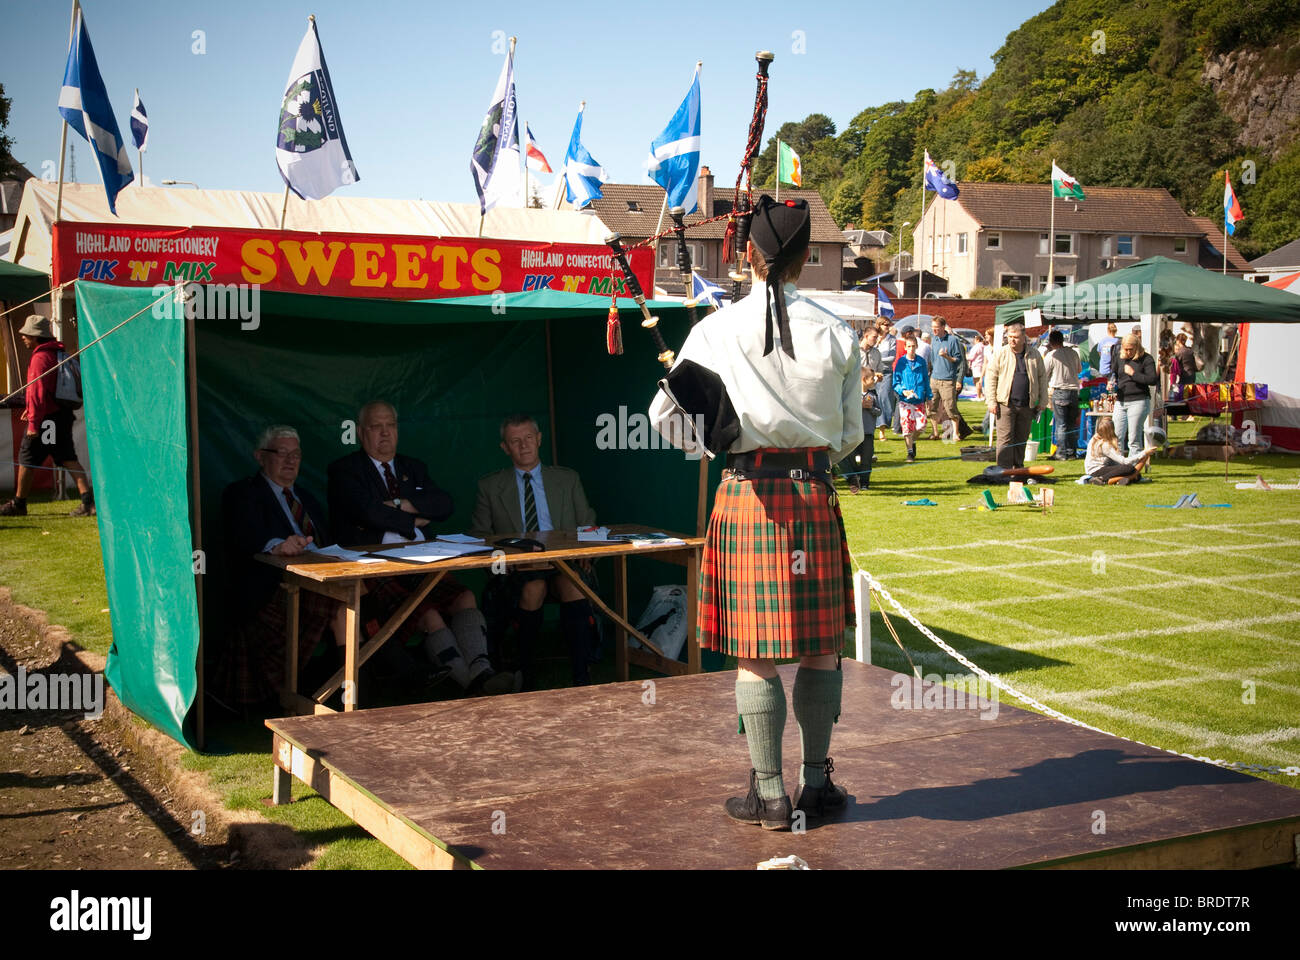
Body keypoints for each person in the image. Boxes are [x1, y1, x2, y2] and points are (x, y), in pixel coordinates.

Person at [648, 195, 861, 830]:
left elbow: (666, 420)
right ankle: (816, 786)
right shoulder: (838, 330)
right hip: (815, 494)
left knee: (756, 650)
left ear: (747, 254)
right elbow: (849, 433)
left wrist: (712, 441)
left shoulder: (713, 330)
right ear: (804, 259)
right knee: (821, 646)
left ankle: (769, 795)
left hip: (747, 496)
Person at [328, 400, 518, 695]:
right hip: (379, 566)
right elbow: (366, 512)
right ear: (361, 432)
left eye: (390, 425)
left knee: (465, 597)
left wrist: (397, 505)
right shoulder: (345, 471)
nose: (385, 433)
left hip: (424, 559)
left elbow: (443, 504)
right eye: (376, 426)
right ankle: (473, 685)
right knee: (428, 614)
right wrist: (414, 518)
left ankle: (482, 670)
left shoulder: (412, 467)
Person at [219, 425, 348, 705]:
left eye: (296, 454)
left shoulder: (308, 497)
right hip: (273, 591)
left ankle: (352, 689)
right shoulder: (242, 493)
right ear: (260, 456)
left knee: (357, 595)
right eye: (281, 453)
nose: (291, 460)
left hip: (323, 580)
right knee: (344, 605)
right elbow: (243, 536)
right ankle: (349, 695)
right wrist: (277, 546)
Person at [469, 414, 600, 687]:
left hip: (565, 563)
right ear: (505, 447)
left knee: (572, 585)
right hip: (519, 569)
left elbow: (588, 524)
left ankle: (581, 675)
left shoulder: (567, 479)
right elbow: (479, 537)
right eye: (515, 441)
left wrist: (589, 551)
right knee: (534, 588)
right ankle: (526, 675)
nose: (524, 446)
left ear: (539, 440)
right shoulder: (490, 486)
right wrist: (503, 563)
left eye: (529, 438)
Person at [1, 316, 95, 517]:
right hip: (61, 415)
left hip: (46, 420)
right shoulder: (58, 353)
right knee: (67, 457)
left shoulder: (40, 358)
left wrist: (34, 423)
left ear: (35, 336)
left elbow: (37, 392)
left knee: (27, 458)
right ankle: (88, 502)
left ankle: (19, 503)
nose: (24, 338)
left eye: (26, 335)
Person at [984, 319, 1048, 469]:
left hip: (1027, 405)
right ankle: (1003, 470)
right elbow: (991, 376)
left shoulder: (1035, 354)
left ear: (1024, 337)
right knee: (1005, 440)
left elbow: (1042, 378)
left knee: (1021, 439)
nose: (1012, 340)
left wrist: (1043, 401)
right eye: (1010, 337)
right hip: (1005, 404)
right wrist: (991, 401)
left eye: (1015, 337)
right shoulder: (1001, 353)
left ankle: (1018, 469)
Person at [1112, 334, 1157, 459]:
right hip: (1121, 401)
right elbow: (1115, 375)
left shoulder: (1146, 359)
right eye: (1125, 349)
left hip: (1139, 400)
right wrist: (1111, 383)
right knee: (1117, 437)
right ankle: (1118, 467)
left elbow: (1152, 379)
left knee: (1133, 438)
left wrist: (1134, 374)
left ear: (1137, 347)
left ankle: (1133, 471)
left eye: (1130, 349)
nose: (1128, 352)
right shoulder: (1119, 358)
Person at [1044, 329, 1083, 460]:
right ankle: (1071, 452)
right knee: (1071, 424)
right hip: (1073, 391)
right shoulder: (1073, 353)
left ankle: (1061, 452)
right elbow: (1079, 370)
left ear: (1051, 342)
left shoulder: (1052, 355)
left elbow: (1044, 372)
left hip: (1060, 391)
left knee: (1061, 424)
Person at [1084, 417, 1156, 485]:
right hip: (1096, 471)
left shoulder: (1094, 438)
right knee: (1129, 468)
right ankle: (1101, 479)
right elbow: (1124, 461)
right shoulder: (1104, 445)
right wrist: (1144, 453)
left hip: (1094, 470)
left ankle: (1119, 481)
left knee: (1136, 475)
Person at [892, 335, 930, 463]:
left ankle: (912, 441)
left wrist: (929, 396)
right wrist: (903, 390)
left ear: (917, 347)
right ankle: (910, 452)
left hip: (919, 399)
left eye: (913, 346)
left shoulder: (921, 362)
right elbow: (895, 382)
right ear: (905, 347)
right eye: (909, 346)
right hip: (905, 400)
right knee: (907, 427)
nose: (911, 349)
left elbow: (926, 379)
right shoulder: (901, 362)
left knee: (921, 426)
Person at [927, 317, 967, 441]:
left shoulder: (953, 340)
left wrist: (947, 357)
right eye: (932, 327)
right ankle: (935, 433)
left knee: (950, 407)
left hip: (948, 379)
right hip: (934, 378)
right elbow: (932, 360)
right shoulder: (934, 340)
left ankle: (955, 433)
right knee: (932, 407)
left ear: (943, 327)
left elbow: (958, 360)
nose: (934, 330)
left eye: (936, 327)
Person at [967, 330, 988, 402]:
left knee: (977, 381)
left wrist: (966, 357)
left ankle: (979, 396)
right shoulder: (984, 346)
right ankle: (981, 394)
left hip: (977, 365)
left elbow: (971, 357)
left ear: (977, 340)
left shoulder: (976, 347)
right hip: (982, 365)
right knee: (978, 381)